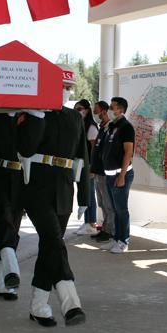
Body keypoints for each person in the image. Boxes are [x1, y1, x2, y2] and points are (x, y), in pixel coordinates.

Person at [16, 64, 88, 327]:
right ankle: (71, 302)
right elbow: (24, 148)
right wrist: (36, 117)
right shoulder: (32, 114)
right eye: (61, 87)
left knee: (49, 247)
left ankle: (38, 305)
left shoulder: (74, 118)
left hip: (64, 188)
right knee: (54, 240)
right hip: (37, 187)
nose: (65, 92)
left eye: (68, 88)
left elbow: (82, 157)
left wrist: (84, 198)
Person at [0, 111, 24, 301]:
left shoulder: (28, 115)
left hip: (20, 177)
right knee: (4, 220)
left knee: (13, 226)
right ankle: (11, 269)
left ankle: (3, 283)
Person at [100, 97, 136, 254]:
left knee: (121, 209)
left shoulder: (126, 127)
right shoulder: (112, 126)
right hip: (109, 175)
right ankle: (116, 239)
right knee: (114, 208)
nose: (109, 109)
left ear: (120, 109)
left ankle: (123, 241)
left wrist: (121, 176)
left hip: (120, 175)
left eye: (111, 107)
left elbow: (128, 152)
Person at [74, 99, 100, 236]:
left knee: (89, 193)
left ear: (87, 110)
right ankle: (87, 223)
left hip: (89, 166)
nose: (78, 111)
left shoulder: (91, 126)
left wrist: (92, 167)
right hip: (82, 165)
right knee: (85, 192)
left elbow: (94, 149)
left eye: (80, 109)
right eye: (76, 109)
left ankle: (91, 223)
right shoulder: (81, 124)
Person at [89, 101, 114, 243]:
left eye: (96, 110)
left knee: (108, 203)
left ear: (104, 111)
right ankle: (105, 228)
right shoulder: (102, 127)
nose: (95, 113)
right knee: (102, 203)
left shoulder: (110, 128)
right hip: (98, 171)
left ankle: (110, 231)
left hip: (105, 172)